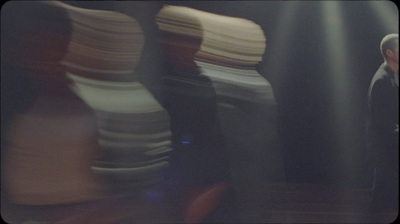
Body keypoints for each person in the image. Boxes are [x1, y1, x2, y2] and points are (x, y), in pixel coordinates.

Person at [367, 33, 399, 213]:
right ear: (390, 53)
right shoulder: (382, 80)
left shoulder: (393, 77)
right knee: (381, 200)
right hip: (385, 149)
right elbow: (383, 123)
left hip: (391, 147)